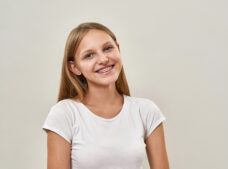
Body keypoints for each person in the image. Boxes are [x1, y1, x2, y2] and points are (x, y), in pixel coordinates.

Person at [42, 22, 170, 169]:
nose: (103, 59)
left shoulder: (146, 111)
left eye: (108, 48)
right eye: (89, 55)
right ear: (75, 67)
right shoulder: (64, 114)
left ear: (118, 49)